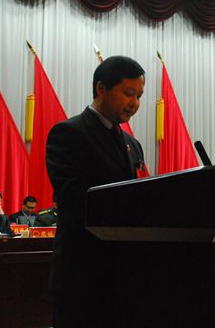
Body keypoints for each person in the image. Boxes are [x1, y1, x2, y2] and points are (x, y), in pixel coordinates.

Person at [46, 55, 146, 327]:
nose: (135, 103)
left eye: (139, 96)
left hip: (125, 276)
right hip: (83, 275)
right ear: (101, 88)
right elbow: (75, 199)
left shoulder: (132, 144)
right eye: (128, 93)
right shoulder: (69, 134)